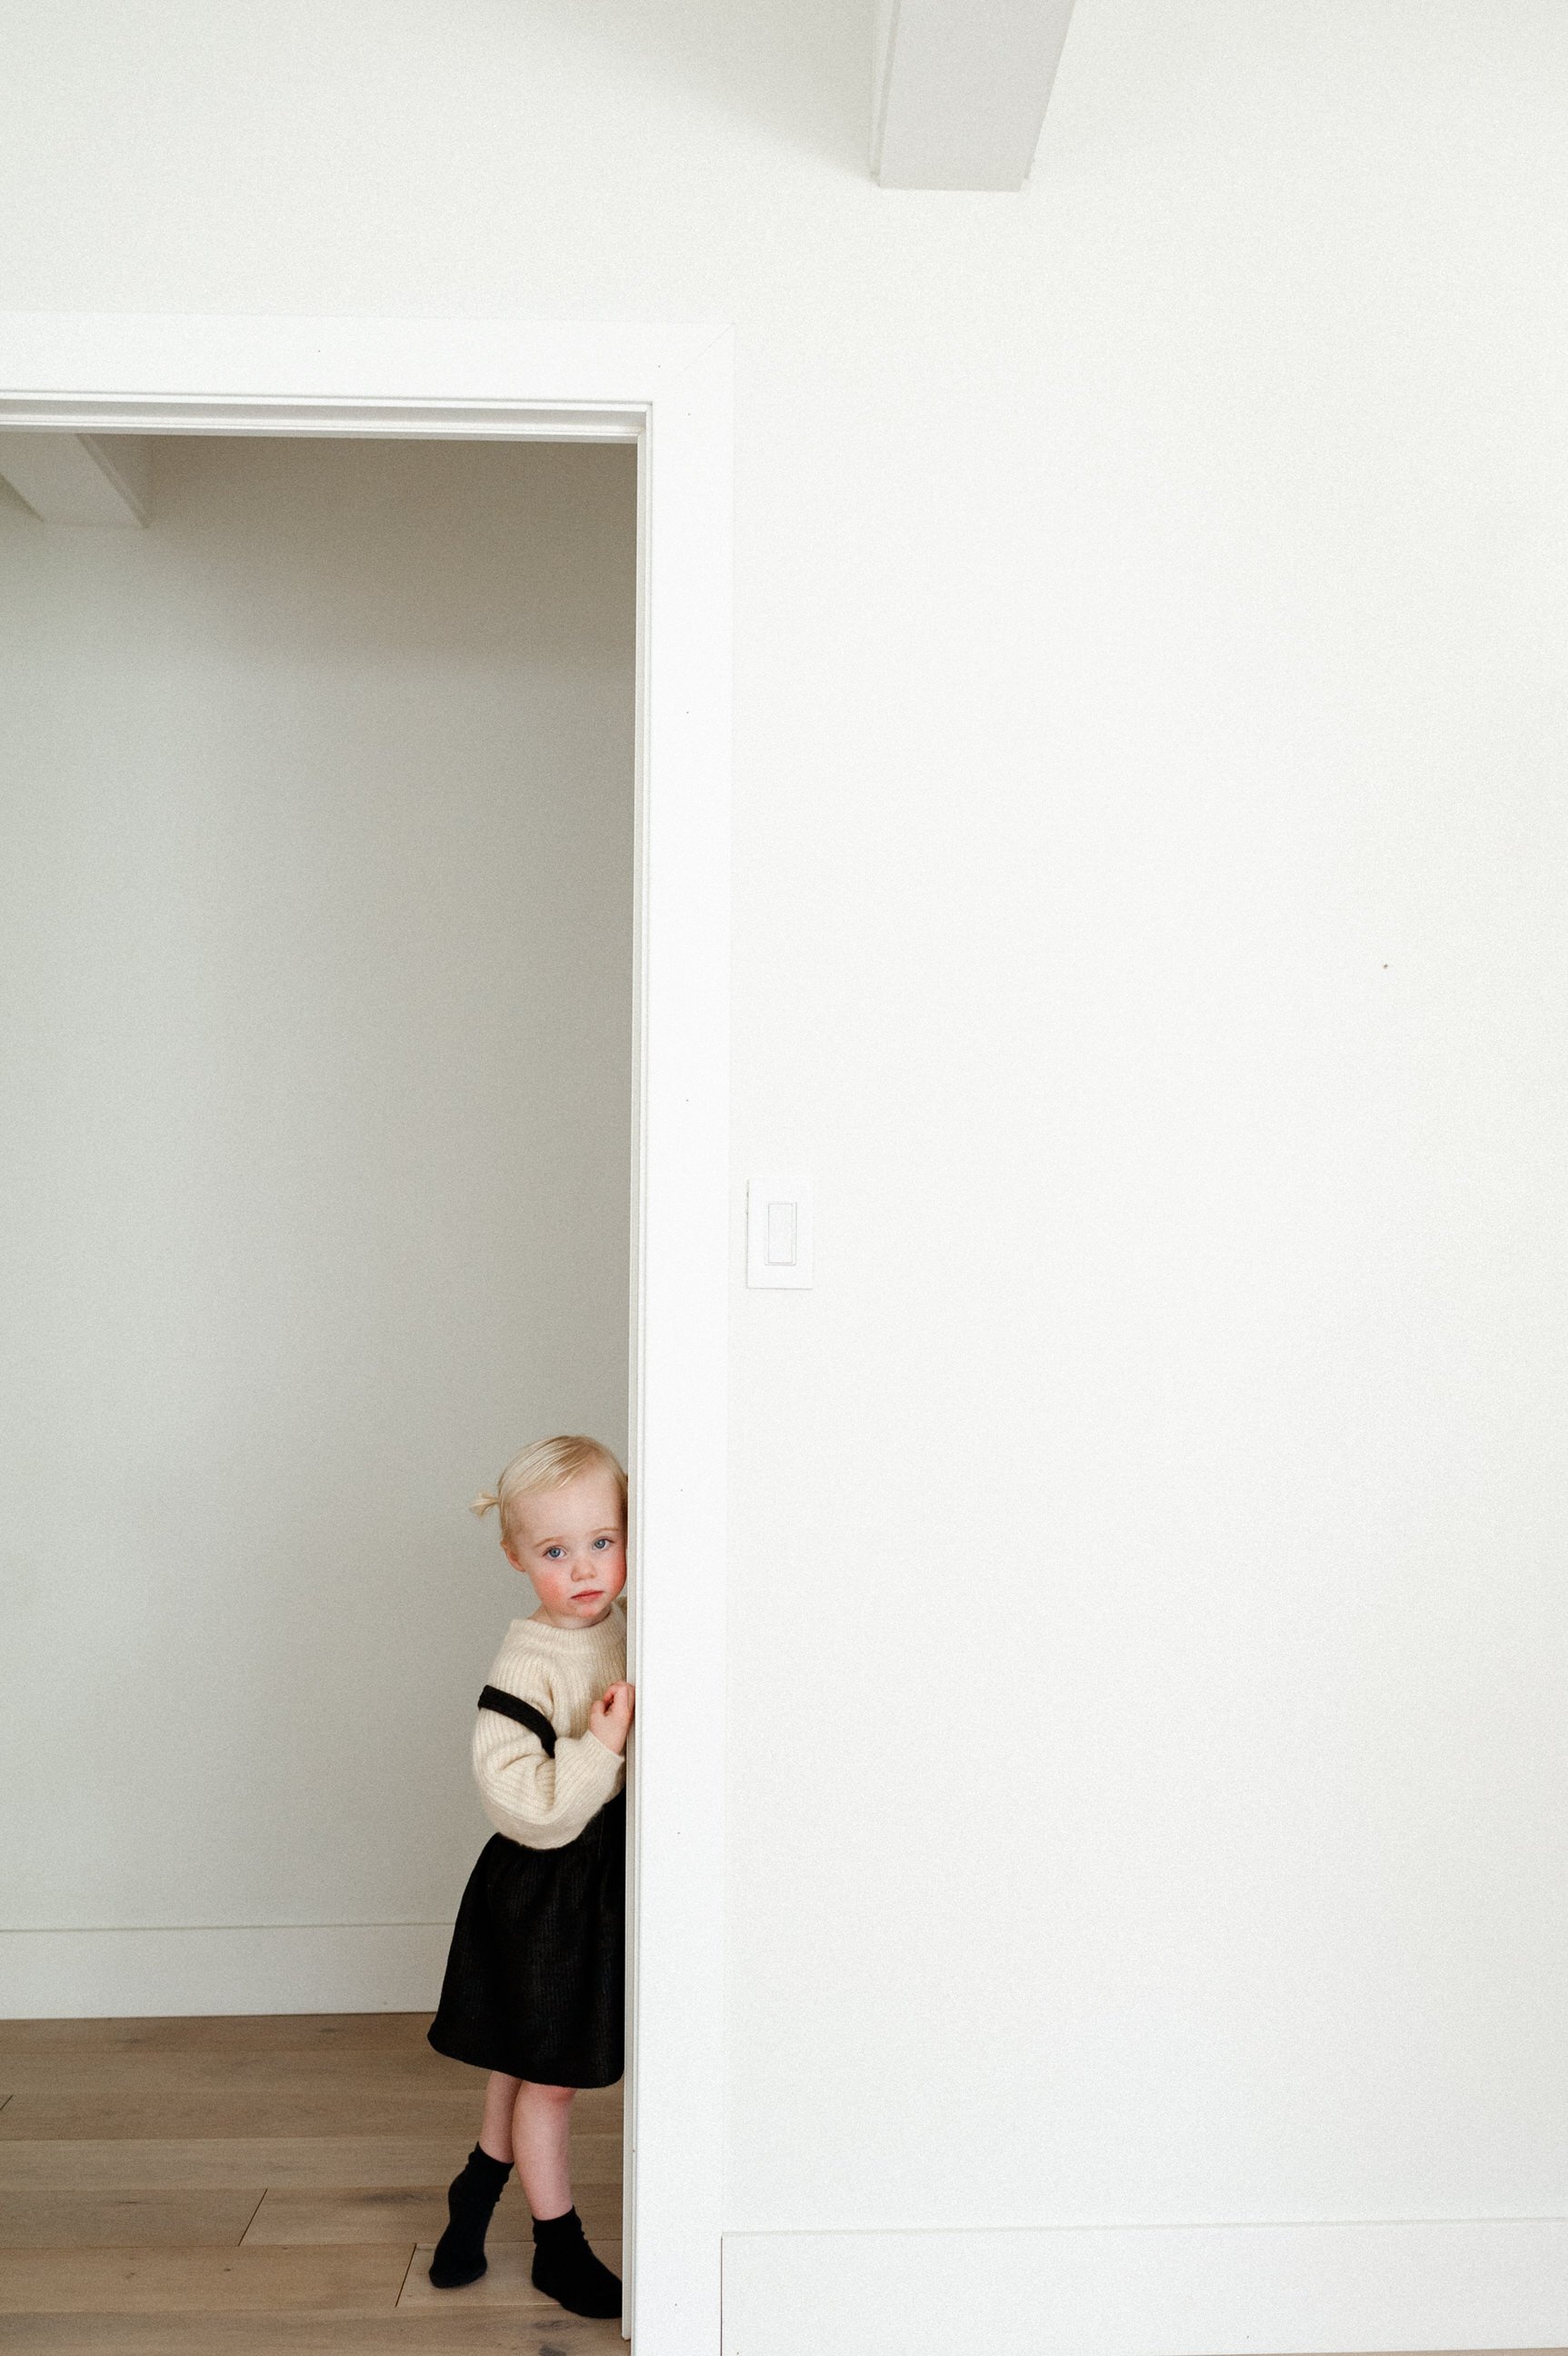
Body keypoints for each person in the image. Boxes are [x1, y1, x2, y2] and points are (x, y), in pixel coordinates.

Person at [424, 1433, 634, 2320]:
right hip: (545, 1886)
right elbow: (525, 1805)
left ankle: (474, 2192)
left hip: (598, 1877)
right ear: (516, 1557)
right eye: (556, 1551)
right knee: (549, 2075)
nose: (585, 1569)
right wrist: (603, 1746)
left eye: (603, 1541)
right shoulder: (528, 1663)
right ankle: (559, 2245)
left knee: (525, 2056)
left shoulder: (624, 1625)